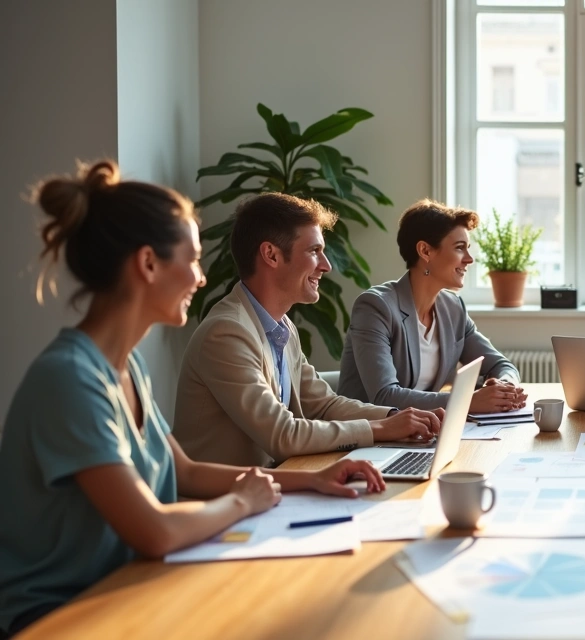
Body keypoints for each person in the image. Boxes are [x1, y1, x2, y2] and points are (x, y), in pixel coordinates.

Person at [0, 161, 387, 638]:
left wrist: (311, 481)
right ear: (147, 264)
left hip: (132, 584)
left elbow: (184, 471)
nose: (202, 278)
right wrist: (243, 502)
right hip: (61, 616)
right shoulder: (69, 379)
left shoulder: (126, 367)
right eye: (193, 259)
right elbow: (154, 530)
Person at [174, 193, 442, 468]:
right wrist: (383, 429)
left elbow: (324, 405)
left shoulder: (281, 327)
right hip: (224, 504)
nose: (326, 265)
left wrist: (398, 417)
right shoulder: (226, 333)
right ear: (271, 255)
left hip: (272, 488)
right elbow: (282, 434)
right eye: (314, 251)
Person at [338, 199, 525, 413]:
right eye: (459, 248)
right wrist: (466, 402)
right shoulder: (375, 307)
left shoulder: (453, 308)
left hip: (420, 434)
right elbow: (384, 396)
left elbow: (501, 365)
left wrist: (506, 386)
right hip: (368, 436)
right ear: (425, 251)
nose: (469, 259)